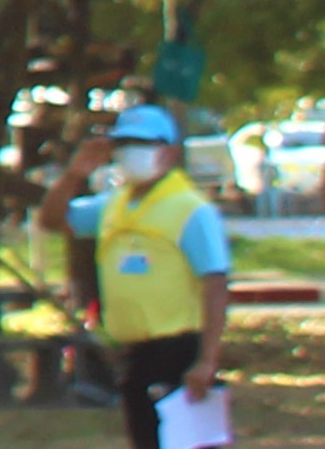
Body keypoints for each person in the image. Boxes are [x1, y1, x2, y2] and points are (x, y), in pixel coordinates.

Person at [36, 103, 232, 449]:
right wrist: (74, 175)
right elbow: (52, 221)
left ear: (169, 153)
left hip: (178, 347)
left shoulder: (190, 209)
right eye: (123, 145)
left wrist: (207, 359)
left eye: (143, 145)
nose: (131, 154)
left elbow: (215, 284)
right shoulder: (113, 205)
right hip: (133, 352)